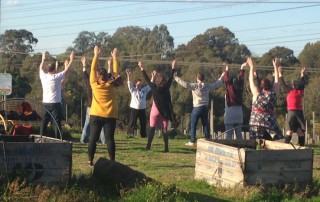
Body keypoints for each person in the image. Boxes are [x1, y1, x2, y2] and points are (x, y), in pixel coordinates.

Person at [88, 45, 120, 165]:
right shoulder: (111, 85)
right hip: (109, 115)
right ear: (107, 77)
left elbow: (92, 68)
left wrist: (96, 54)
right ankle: (112, 160)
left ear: (97, 76)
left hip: (95, 114)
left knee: (93, 139)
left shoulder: (93, 84)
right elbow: (116, 73)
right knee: (109, 139)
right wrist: (115, 58)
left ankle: (90, 159)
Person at [174, 69, 225, 147]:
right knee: (205, 124)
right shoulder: (207, 85)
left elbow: (185, 84)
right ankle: (208, 139)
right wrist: (222, 76)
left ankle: (192, 141)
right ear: (203, 78)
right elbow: (216, 84)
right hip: (205, 107)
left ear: (197, 78)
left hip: (197, 107)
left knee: (193, 124)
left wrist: (176, 77)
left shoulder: (195, 86)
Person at [138, 60, 176, 152]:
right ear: (164, 82)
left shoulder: (154, 87)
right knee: (164, 129)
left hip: (155, 111)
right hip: (165, 112)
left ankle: (148, 146)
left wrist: (142, 68)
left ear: (157, 81)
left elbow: (147, 79)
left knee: (152, 128)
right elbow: (171, 78)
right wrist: (173, 67)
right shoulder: (166, 87)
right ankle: (166, 148)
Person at [39, 51, 75, 139]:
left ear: (48, 70)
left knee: (44, 121)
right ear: (54, 70)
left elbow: (40, 67)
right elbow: (67, 71)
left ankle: (41, 138)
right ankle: (57, 139)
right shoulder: (56, 77)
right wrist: (72, 59)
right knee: (56, 122)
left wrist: (43, 59)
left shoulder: (43, 76)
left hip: (45, 103)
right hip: (55, 103)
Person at [248, 57, 283, 140]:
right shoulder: (273, 94)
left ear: (261, 86)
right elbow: (277, 81)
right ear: (270, 85)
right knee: (278, 138)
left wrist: (251, 67)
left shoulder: (257, 94)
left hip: (255, 123)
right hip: (270, 123)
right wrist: (275, 66)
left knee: (255, 142)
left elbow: (251, 81)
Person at [79, 56, 105, 144]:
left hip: (90, 106)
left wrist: (84, 65)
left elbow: (84, 74)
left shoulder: (89, 82)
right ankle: (104, 140)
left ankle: (83, 139)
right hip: (97, 106)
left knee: (88, 124)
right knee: (101, 124)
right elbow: (105, 75)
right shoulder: (97, 84)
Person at [279, 66, 306, 146]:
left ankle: (285, 146)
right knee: (300, 131)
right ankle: (302, 147)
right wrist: (302, 74)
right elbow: (302, 84)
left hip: (291, 112)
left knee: (289, 130)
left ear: (293, 86)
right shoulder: (301, 92)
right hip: (300, 113)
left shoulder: (291, 91)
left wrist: (280, 73)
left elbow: (282, 83)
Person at [125, 67, 151, 138]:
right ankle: (130, 134)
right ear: (136, 84)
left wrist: (153, 77)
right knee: (132, 122)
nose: (139, 84)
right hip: (134, 108)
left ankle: (143, 135)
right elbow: (129, 84)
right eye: (138, 83)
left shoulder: (144, 90)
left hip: (142, 109)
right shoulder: (133, 90)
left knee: (143, 122)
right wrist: (128, 75)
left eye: (140, 83)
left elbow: (150, 86)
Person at [223, 62, 246, 140]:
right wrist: (242, 68)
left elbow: (225, 79)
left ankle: (228, 150)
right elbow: (241, 79)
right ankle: (241, 148)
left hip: (230, 112)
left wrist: (227, 69)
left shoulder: (229, 88)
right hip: (239, 112)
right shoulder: (240, 88)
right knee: (239, 134)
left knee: (229, 134)